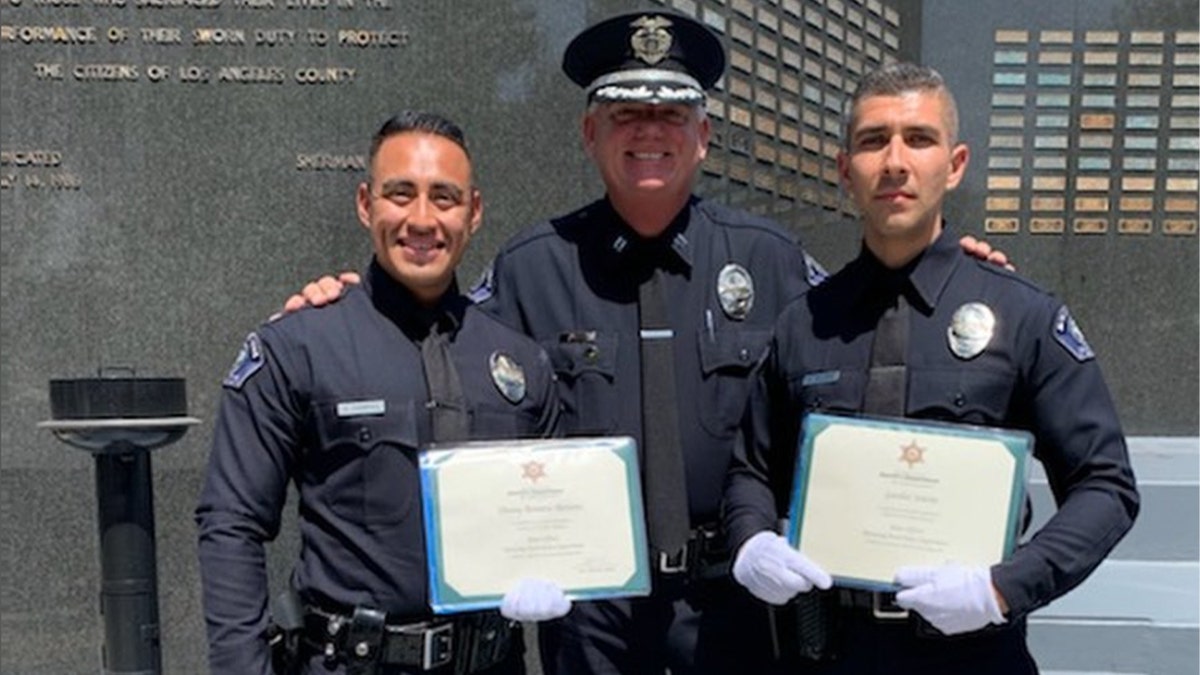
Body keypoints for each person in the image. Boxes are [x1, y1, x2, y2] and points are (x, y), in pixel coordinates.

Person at [282, 14, 1016, 675]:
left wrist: (950, 272)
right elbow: (435, 341)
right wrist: (348, 307)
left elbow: (864, 321)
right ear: (590, 135)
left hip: (738, 599)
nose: (650, 130)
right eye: (626, 113)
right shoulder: (532, 267)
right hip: (591, 610)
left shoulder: (770, 259)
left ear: (703, 136)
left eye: (672, 113)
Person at [723, 62, 1140, 674]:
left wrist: (1004, 587)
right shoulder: (803, 323)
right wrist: (751, 540)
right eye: (873, 140)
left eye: (919, 138)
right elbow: (750, 467)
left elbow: (1106, 486)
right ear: (845, 170)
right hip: (828, 649)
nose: (894, 161)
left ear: (956, 163)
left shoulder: (1023, 315)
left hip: (972, 654)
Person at [195, 111, 572, 675]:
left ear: (474, 213)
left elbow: (558, 516)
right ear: (366, 204)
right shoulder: (299, 347)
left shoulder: (521, 361)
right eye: (401, 194)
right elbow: (231, 523)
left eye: (444, 198)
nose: (422, 219)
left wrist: (558, 564)